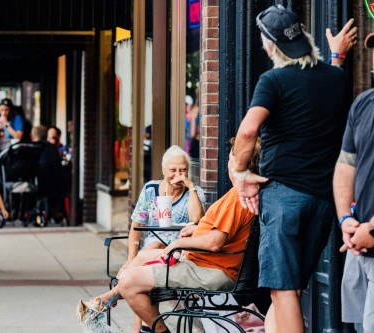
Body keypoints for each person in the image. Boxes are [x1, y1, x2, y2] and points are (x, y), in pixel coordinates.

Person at [231, 6, 357, 332]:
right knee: (289, 290)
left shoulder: (273, 80)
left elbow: (247, 131)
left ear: (272, 46)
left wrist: (241, 172)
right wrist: (337, 57)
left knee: (283, 290)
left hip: (284, 196)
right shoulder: (336, 78)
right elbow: (321, 85)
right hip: (322, 199)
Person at [88, 138, 260, 333]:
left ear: (239, 162)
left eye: (230, 157)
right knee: (143, 259)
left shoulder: (237, 197)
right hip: (202, 263)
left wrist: (180, 243)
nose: (228, 162)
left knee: (129, 281)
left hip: (208, 268)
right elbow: (220, 232)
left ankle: (149, 325)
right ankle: (110, 301)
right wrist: (196, 231)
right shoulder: (240, 194)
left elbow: (215, 242)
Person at [122, 145, 206, 332]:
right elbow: (137, 225)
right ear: (163, 170)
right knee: (153, 247)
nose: (178, 175)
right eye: (173, 170)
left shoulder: (195, 192)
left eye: (183, 170)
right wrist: (130, 258)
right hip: (152, 252)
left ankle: (112, 297)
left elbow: (196, 220)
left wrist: (191, 186)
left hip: (179, 255)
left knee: (140, 276)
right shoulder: (151, 189)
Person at [333, 85, 374, 332]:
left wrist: (371, 229)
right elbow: (346, 164)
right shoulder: (364, 102)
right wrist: (345, 219)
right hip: (358, 242)